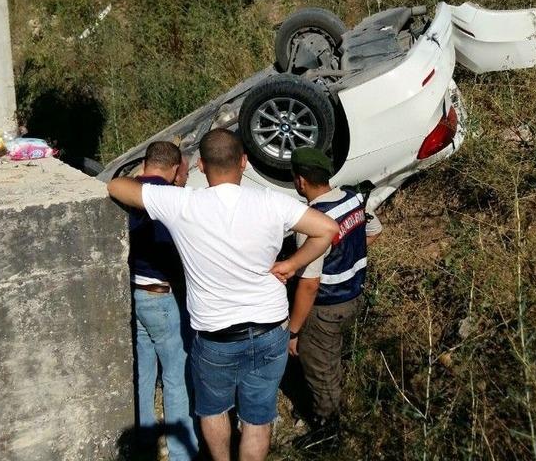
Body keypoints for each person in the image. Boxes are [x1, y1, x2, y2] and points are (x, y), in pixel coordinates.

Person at [107, 129, 339, 461]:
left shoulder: (183, 203)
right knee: (258, 419)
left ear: (201, 166)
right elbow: (328, 230)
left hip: (216, 337)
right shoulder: (273, 202)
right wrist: (290, 264)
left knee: (213, 410)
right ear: (244, 162)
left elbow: (117, 187)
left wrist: (143, 172)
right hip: (271, 328)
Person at [286, 147, 383, 448]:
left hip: (325, 308)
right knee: (332, 358)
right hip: (354, 295)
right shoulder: (353, 199)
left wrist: (294, 331)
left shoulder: (312, 222)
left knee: (320, 368)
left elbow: (309, 286)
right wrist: (346, 255)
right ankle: (327, 409)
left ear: (300, 181)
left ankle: (328, 432)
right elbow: (375, 231)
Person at [127, 141, 198, 461]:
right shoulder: (173, 199)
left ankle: (143, 442)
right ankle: (182, 453)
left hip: (133, 293)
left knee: (142, 371)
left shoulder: (124, 194)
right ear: (173, 169)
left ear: (145, 164)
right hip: (162, 295)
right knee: (175, 376)